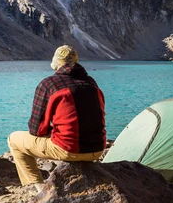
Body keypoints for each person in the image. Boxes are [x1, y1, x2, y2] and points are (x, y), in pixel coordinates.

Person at [7, 45, 106, 191]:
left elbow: (36, 129)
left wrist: (52, 130)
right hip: (97, 149)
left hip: (69, 150)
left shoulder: (48, 84)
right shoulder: (91, 83)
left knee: (13, 140)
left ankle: (38, 188)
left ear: (56, 63)